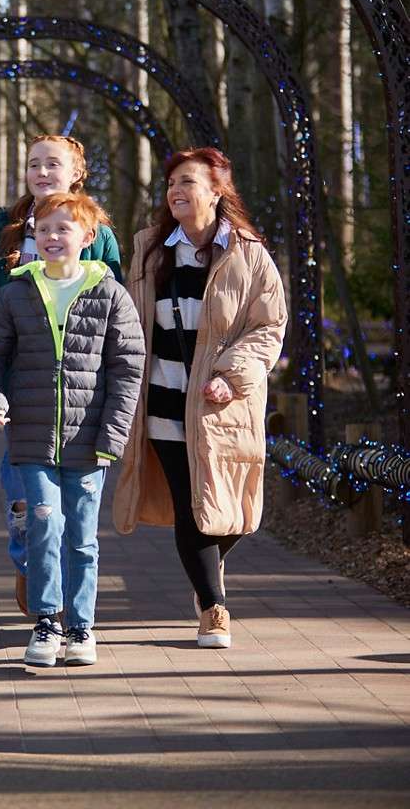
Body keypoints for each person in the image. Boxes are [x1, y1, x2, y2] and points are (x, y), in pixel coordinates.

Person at [112, 147, 288, 650]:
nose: (177, 190)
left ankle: (207, 568)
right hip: (163, 403)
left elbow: (269, 326)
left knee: (230, 511)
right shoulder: (149, 248)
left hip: (222, 406)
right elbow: (129, 322)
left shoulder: (249, 254)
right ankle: (213, 607)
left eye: (189, 181)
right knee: (194, 506)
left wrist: (231, 376)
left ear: (217, 191)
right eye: (172, 182)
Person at [0, 192, 145, 667]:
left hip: (90, 443)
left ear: (87, 238)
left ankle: (81, 627)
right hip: (31, 438)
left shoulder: (110, 294)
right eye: (42, 230)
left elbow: (128, 367)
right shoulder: (15, 292)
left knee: (82, 538)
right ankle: (47, 622)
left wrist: (113, 435)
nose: (51, 237)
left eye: (63, 229)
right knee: (44, 528)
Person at [0, 134, 122, 616]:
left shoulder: (99, 234)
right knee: (21, 490)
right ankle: (29, 558)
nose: (42, 172)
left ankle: (70, 595)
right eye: (34, 164)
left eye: (54, 164)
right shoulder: (5, 231)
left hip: (78, 389)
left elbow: (115, 312)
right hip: (20, 387)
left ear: (77, 173)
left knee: (75, 497)